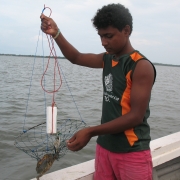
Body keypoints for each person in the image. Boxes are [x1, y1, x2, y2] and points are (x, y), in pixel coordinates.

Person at [40, 3, 156, 180]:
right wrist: (56, 33)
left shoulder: (140, 66)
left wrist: (90, 131)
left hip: (132, 152)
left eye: (108, 36)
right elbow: (76, 57)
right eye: (101, 36)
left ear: (126, 30)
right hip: (104, 147)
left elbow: (136, 116)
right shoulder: (107, 59)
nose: (103, 42)